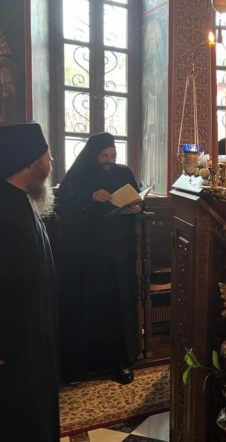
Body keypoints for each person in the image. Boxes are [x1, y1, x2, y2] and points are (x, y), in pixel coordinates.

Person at [55, 132, 141, 385]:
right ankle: (81, 364)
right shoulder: (79, 174)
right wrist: (89, 197)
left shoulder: (123, 172)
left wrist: (137, 207)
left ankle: (121, 361)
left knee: (118, 305)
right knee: (87, 303)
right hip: (87, 252)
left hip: (119, 251)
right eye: (104, 155)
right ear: (94, 155)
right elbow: (62, 202)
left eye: (113, 155)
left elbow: (137, 198)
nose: (109, 160)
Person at [0, 122, 60, 441]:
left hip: (33, 337)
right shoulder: (5, 211)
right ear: (30, 163)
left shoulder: (20, 201)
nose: (51, 164)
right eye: (48, 157)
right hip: (14, 348)